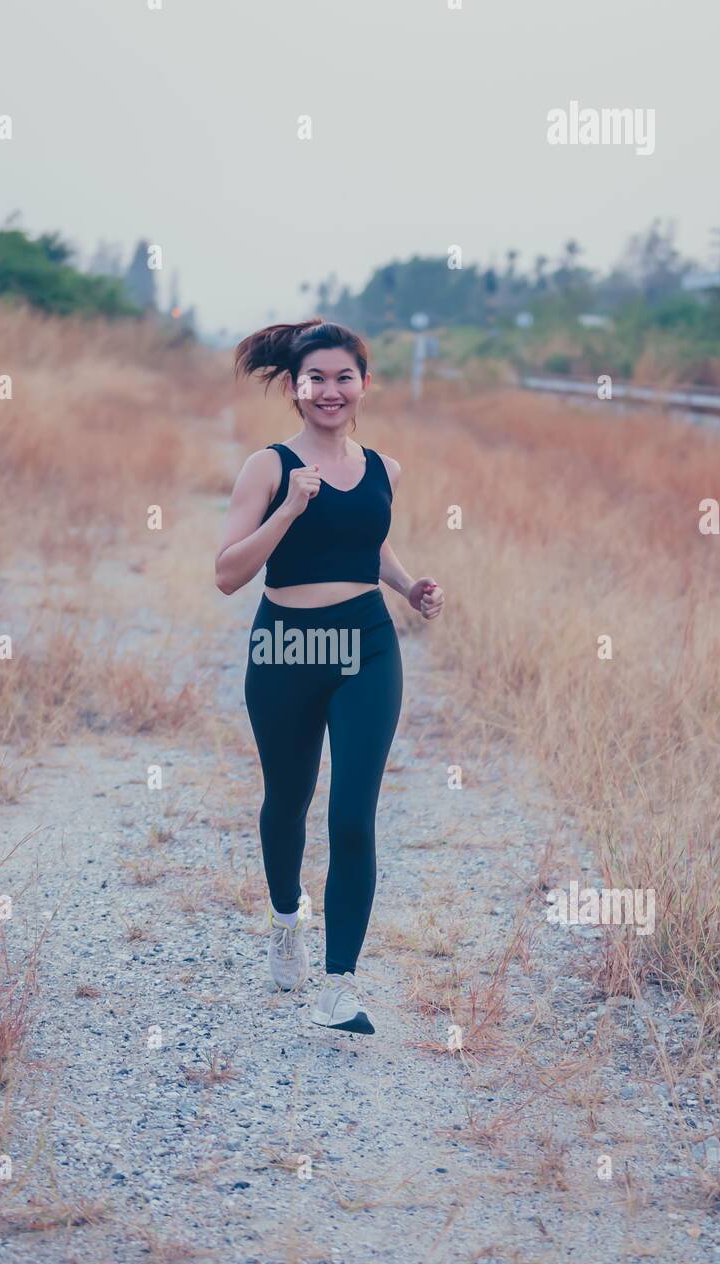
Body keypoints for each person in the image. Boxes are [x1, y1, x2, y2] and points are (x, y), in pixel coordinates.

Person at [215, 319, 444, 1034]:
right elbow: (227, 575)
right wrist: (288, 507)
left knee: (351, 815)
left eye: (344, 377)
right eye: (316, 378)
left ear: (364, 385)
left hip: (367, 646)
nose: (330, 390)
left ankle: (338, 986)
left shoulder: (384, 469)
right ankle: (286, 920)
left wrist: (407, 587)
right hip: (285, 648)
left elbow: (366, 543)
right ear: (294, 388)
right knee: (287, 801)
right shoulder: (268, 466)